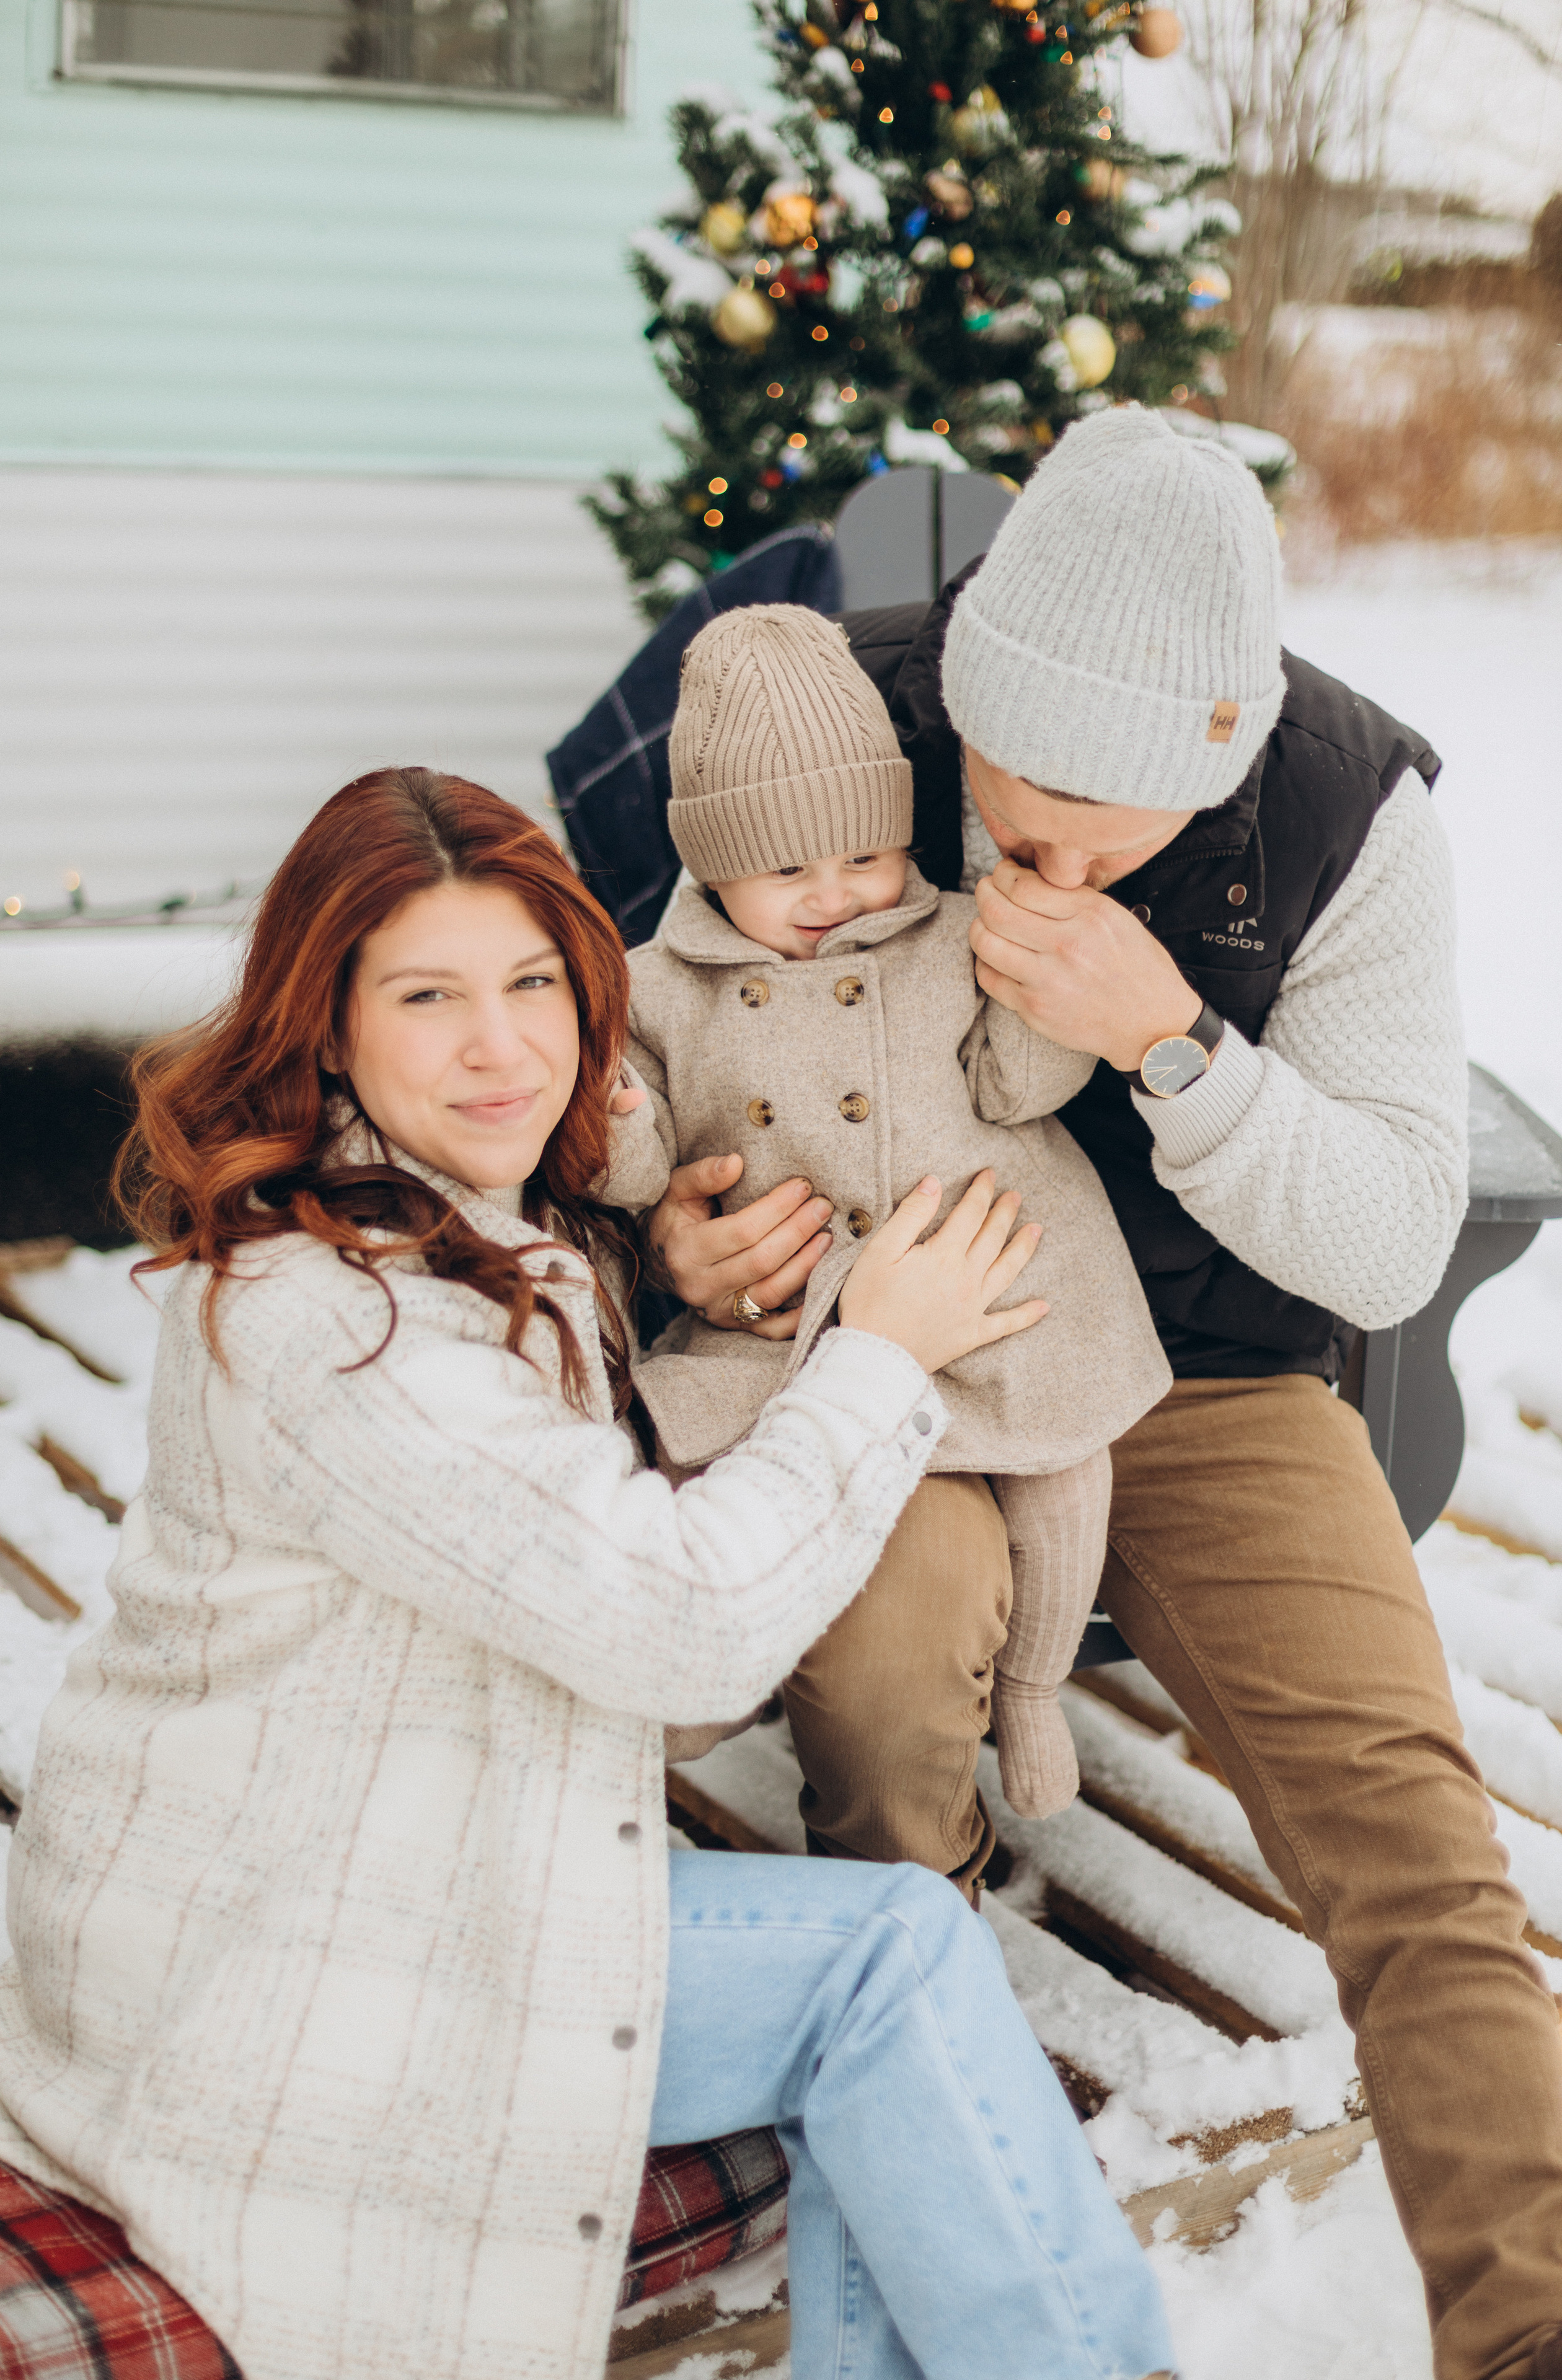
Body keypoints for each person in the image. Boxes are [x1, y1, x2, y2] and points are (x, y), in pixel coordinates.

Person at [0, 768, 1173, 2380]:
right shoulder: (322, 1324)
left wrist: (659, 1257)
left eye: (534, 981)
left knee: (887, 1974)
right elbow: (679, 1627)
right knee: (893, 1965)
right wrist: (880, 1352)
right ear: (325, 1026)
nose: (504, 1045)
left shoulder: (435, 1211)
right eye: (430, 997)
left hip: (388, 1865)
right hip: (292, 1967)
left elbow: (533, 1379)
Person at [643, 408, 1562, 2380]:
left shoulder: (1345, 810)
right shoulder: (844, 719)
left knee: (1413, 1841)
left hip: (1209, 1378)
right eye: (1006, 807)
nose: (1032, 860)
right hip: (880, 1342)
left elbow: (1397, 1236)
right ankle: (911, 2097)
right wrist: (674, 1246)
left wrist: (1176, 1042)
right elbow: (609, 1050)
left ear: (1220, 757)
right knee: (893, 1697)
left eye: (1099, 837)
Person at [602, 602, 1170, 1830]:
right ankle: (705, 1677)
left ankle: (1030, 1689)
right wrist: (610, 1108)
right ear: (709, 863)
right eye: (784, 868)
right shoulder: (653, 991)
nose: (832, 895)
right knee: (704, 1470)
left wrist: (1033, 990)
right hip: (790, 1324)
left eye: (862, 857)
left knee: (1064, 1464)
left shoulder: (956, 933)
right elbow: (631, 1164)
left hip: (992, 1273)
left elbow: (1019, 1086)